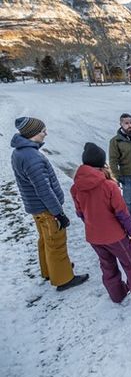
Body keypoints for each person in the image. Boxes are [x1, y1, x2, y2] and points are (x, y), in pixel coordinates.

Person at [71, 143, 131, 306]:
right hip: (115, 236)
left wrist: (94, 226)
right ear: (102, 163)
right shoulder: (109, 186)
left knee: (107, 265)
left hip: (93, 237)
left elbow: (80, 213)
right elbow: (122, 213)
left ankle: (117, 294)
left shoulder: (76, 187)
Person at [10, 117, 89, 291]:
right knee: (56, 242)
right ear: (32, 134)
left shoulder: (19, 152)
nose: (46, 133)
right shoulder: (32, 157)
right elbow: (43, 189)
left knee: (45, 240)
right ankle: (63, 278)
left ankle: (50, 270)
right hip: (46, 208)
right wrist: (58, 213)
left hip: (36, 208)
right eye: (42, 131)